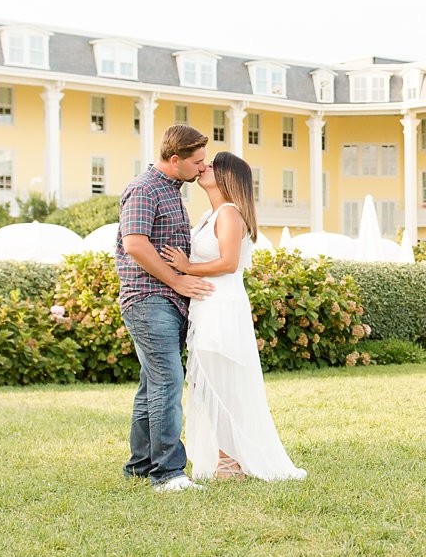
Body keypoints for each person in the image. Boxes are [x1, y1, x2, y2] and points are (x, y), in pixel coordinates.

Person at [162, 151, 306, 483]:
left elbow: (228, 263)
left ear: (227, 176)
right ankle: (225, 458)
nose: (203, 167)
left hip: (222, 306)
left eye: (211, 165)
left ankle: (231, 464)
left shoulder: (229, 214)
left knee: (218, 384)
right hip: (206, 306)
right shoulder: (209, 216)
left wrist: (187, 268)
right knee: (206, 383)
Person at [117, 124, 215, 493]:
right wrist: (176, 281)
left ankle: (141, 466)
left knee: (152, 386)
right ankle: (168, 473)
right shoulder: (144, 188)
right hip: (148, 299)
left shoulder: (172, 192)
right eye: (198, 162)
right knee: (168, 382)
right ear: (175, 160)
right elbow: (135, 245)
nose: (203, 168)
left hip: (168, 301)